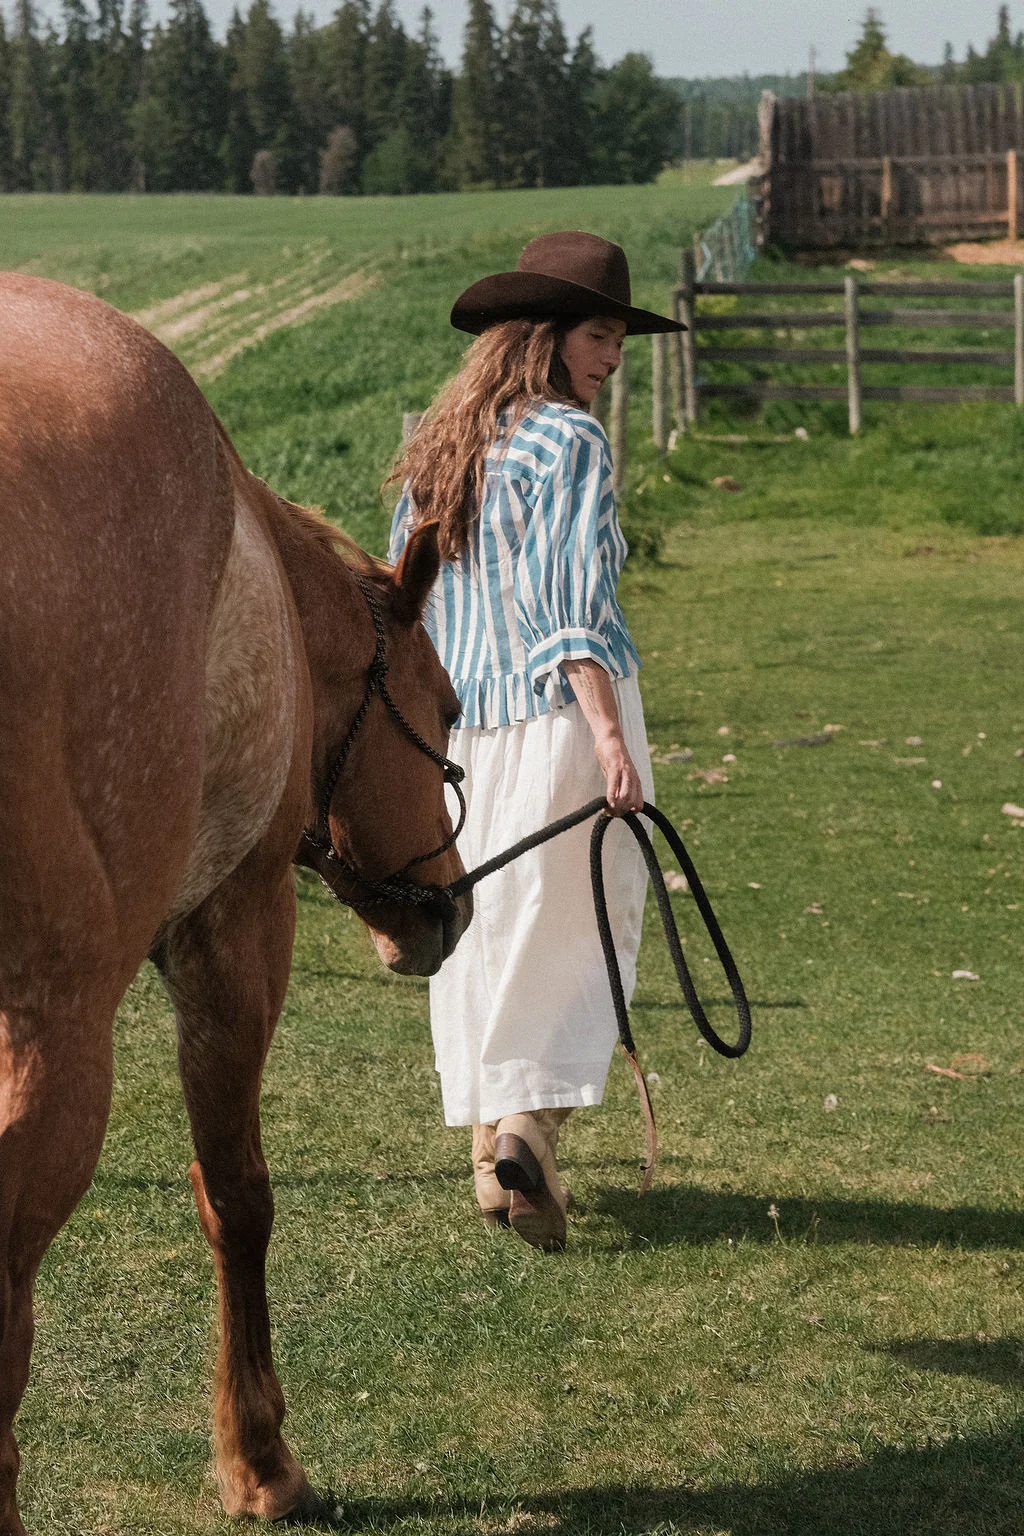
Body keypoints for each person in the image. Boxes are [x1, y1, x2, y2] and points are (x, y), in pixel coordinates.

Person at [387, 231, 685, 1252]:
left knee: (487, 924)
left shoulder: (442, 443)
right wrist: (606, 735)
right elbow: (573, 609)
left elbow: (402, 600)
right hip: (559, 713)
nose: (611, 357)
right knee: (580, 920)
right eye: (600, 335)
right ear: (547, 339)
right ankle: (527, 1130)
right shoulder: (575, 443)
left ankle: (489, 1155)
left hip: (462, 731)